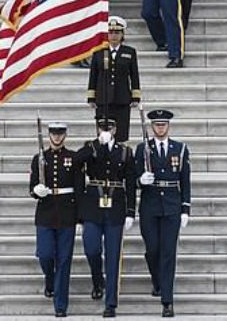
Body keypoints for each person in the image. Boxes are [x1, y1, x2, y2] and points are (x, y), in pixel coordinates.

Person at [74, 119, 138, 317]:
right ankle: (97, 279)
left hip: (116, 206)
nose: (106, 131)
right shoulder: (90, 147)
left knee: (113, 257)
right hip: (93, 205)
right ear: (97, 129)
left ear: (116, 129)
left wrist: (130, 211)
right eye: (102, 128)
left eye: (109, 128)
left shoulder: (125, 151)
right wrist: (97, 144)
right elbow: (77, 160)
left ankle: (110, 303)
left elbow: (130, 183)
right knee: (91, 248)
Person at [132, 110, 191, 318]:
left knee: (168, 253)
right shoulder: (141, 149)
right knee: (153, 250)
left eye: (163, 125)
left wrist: (185, 208)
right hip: (150, 206)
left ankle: (167, 300)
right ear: (151, 127)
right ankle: (157, 281)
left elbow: (185, 180)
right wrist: (141, 180)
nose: (160, 128)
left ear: (168, 126)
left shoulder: (180, 149)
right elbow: (132, 180)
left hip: (172, 206)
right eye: (157, 125)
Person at [30, 121, 83, 318]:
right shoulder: (39, 158)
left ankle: (61, 305)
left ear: (65, 135)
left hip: (67, 214)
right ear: (49, 135)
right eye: (54, 133)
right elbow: (32, 186)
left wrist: (80, 217)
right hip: (45, 213)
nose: (57, 137)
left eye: (61, 134)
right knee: (44, 255)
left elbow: (79, 189)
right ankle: (50, 280)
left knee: (64, 260)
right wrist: (36, 191)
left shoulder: (72, 157)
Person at [87, 17, 141, 143]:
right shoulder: (99, 52)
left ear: (122, 34)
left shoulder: (129, 52)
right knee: (103, 133)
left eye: (117, 32)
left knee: (121, 133)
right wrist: (91, 96)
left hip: (122, 98)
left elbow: (134, 75)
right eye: (110, 33)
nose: (114, 36)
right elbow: (93, 75)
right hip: (103, 98)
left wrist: (135, 96)